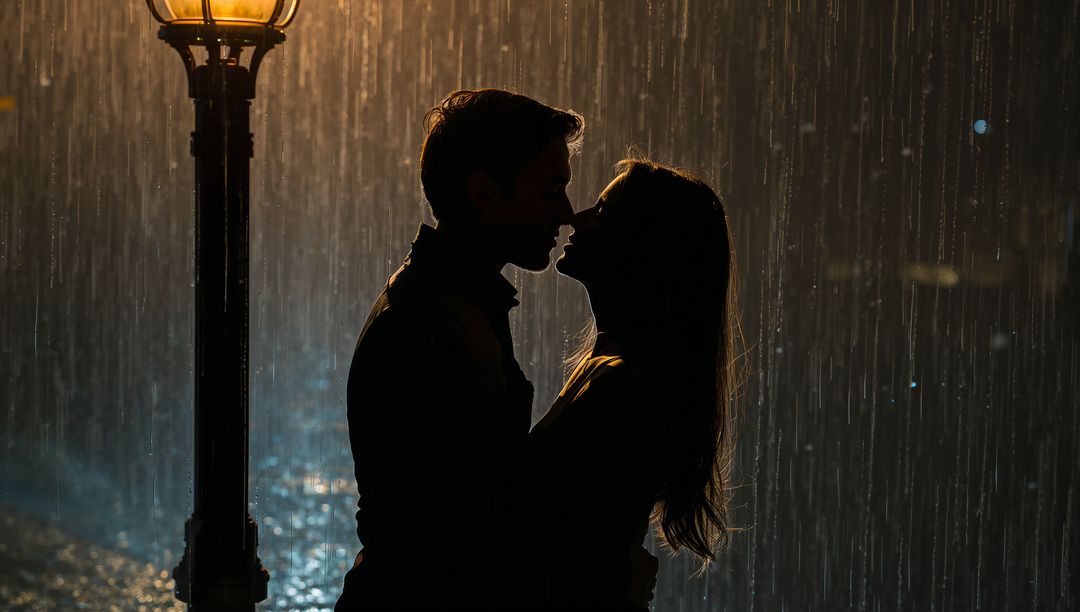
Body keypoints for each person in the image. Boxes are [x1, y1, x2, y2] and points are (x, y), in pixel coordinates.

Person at [335, 88, 583, 610]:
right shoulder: (438, 323)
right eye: (550, 189)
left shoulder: (440, 305)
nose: (566, 212)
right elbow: (459, 525)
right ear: (484, 192)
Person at [526, 159, 740, 609]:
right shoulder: (612, 371)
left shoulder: (624, 392)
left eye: (602, 213)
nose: (576, 218)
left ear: (640, 249)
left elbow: (580, 561)